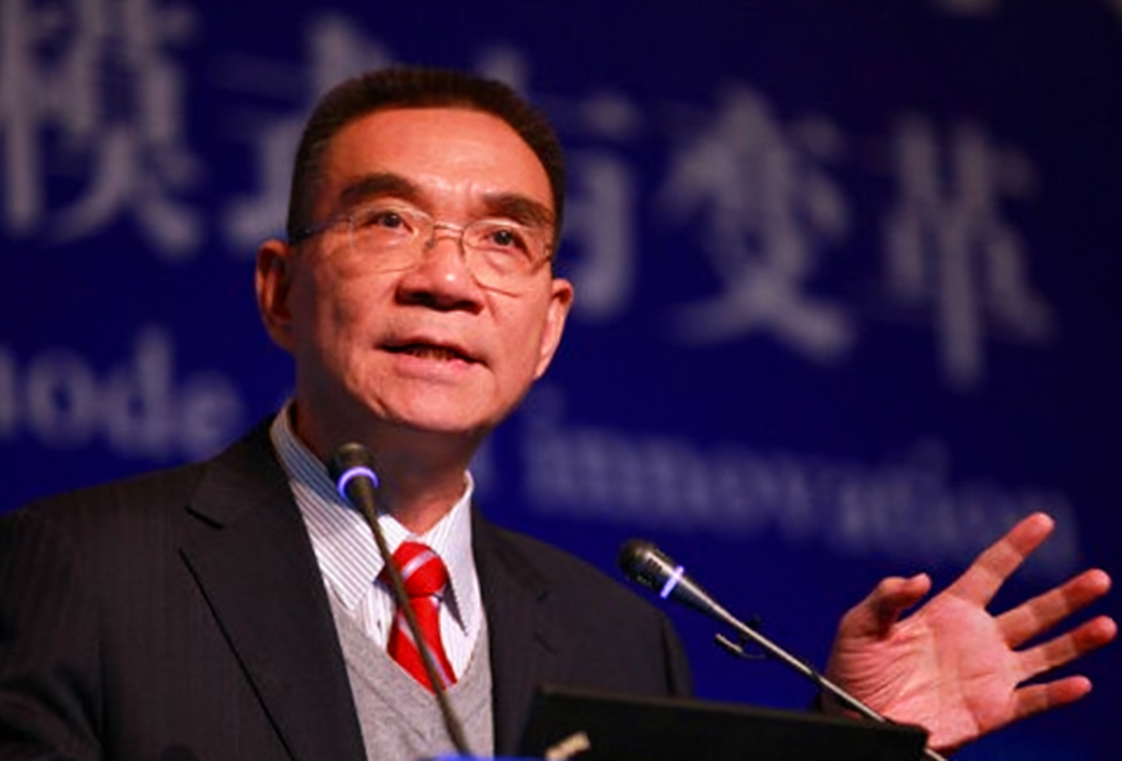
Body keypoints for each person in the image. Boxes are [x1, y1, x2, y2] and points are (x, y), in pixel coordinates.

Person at [0, 67, 1114, 761]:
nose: (446, 278)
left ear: (547, 328)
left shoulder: (617, 638)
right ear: (281, 290)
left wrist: (849, 747)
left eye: (503, 239)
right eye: (388, 221)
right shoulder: (84, 572)